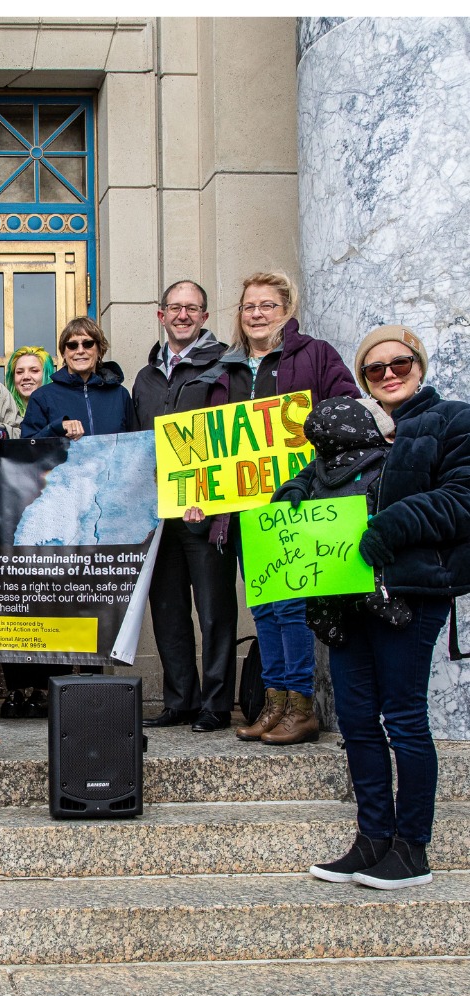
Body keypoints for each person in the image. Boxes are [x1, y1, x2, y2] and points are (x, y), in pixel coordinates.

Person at [278, 325, 470, 889]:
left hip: (410, 592)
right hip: (344, 597)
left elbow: (462, 498)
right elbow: (310, 479)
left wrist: (394, 524)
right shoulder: (354, 430)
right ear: (362, 377)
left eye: (399, 362)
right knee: (358, 722)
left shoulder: (452, 420)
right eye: (374, 368)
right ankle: (371, 839)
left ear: (419, 363)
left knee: (404, 719)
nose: (389, 374)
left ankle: (412, 850)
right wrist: (288, 500)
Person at [224, 272, 360, 744]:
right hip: (245, 508)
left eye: (267, 305)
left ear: (285, 310)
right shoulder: (229, 369)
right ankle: (274, 702)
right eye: (249, 307)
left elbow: (348, 408)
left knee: (291, 605)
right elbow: (211, 446)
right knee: (262, 606)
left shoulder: (315, 354)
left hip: (299, 503)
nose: (257, 314)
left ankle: (301, 705)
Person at [133, 281, 250, 733]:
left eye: (192, 308)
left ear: (204, 316)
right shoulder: (145, 377)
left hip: (206, 512)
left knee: (215, 610)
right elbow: (137, 443)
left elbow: (235, 435)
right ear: (161, 315)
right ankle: (181, 699)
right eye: (174, 308)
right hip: (159, 514)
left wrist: (214, 498)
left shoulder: (225, 366)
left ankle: (217, 704)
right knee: (167, 610)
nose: (183, 315)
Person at [0, 345, 60, 719]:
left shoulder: (56, 410)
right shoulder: (3, 416)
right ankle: (18, 688)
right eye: (19, 371)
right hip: (10, 520)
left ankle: (44, 687)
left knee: (50, 601)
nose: (26, 377)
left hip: (51, 522)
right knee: (14, 601)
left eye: (34, 370)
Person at [21, 317, 136, 440]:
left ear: (99, 350)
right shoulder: (42, 397)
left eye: (88, 344)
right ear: (64, 353)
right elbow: (27, 449)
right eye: (72, 345)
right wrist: (57, 428)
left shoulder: (120, 395)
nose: (80, 351)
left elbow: (136, 443)